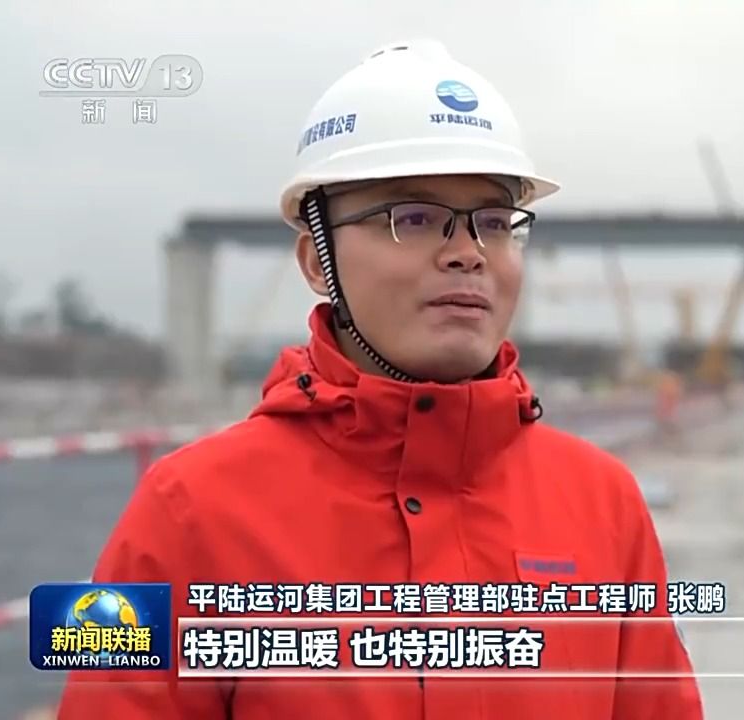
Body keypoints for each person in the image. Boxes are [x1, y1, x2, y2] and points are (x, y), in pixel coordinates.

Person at [58, 39, 703, 719]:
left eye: (493, 223)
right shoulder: (189, 512)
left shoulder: (603, 505)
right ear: (318, 260)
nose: (468, 253)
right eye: (413, 219)